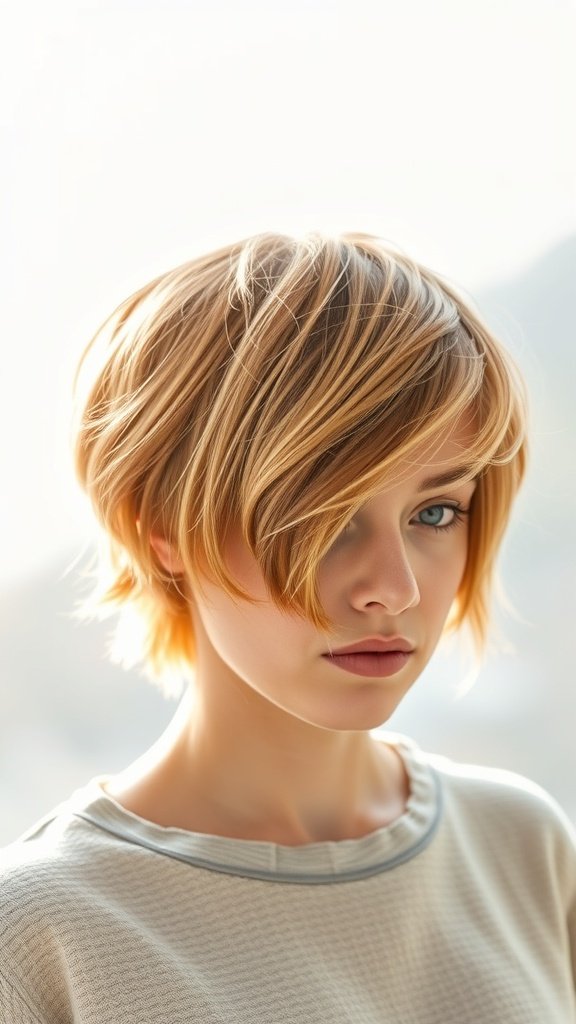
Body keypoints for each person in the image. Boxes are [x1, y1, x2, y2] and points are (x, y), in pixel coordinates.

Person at [1, 232, 574, 1024]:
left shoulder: (521, 843)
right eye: (327, 517)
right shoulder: (39, 932)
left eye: (435, 512)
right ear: (157, 524)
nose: (395, 588)